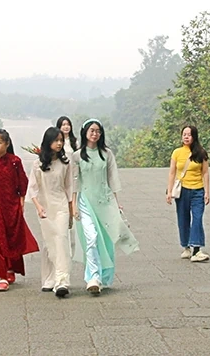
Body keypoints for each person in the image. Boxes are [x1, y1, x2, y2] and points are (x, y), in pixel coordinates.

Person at [70, 119, 139, 295]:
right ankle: (92, 277)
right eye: (92, 130)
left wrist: (116, 203)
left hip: (104, 201)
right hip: (86, 202)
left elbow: (112, 179)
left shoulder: (106, 154)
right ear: (85, 132)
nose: (95, 134)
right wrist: (74, 205)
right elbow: (75, 182)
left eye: (98, 131)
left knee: (107, 240)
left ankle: (103, 276)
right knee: (91, 238)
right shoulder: (77, 156)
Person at [0, 129, 39, 292]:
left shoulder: (15, 161)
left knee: (11, 237)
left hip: (12, 205)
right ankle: (2, 275)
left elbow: (22, 184)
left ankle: (11, 268)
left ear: (7, 144)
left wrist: (21, 204)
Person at [28, 127, 75, 298]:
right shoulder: (38, 164)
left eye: (61, 140)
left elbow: (69, 187)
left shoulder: (65, 163)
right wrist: (39, 207)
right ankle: (49, 279)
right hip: (45, 208)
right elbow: (32, 189)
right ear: (48, 142)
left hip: (61, 206)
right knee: (49, 243)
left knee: (61, 240)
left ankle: (62, 281)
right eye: (56, 140)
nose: (59, 143)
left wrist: (71, 210)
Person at [165, 125, 210, 262]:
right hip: (182, 190)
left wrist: (207, 192)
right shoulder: (177, 152)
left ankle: (196, 249)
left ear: (194, 136)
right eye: (184, 134)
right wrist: (169, 190)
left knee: (197, 218)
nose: (186, 137)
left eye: (189, 134)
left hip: (198, 190)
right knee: (183, 219)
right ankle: (186, 246)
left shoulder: (201, 153)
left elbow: (205, 173)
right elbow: (172, 172)